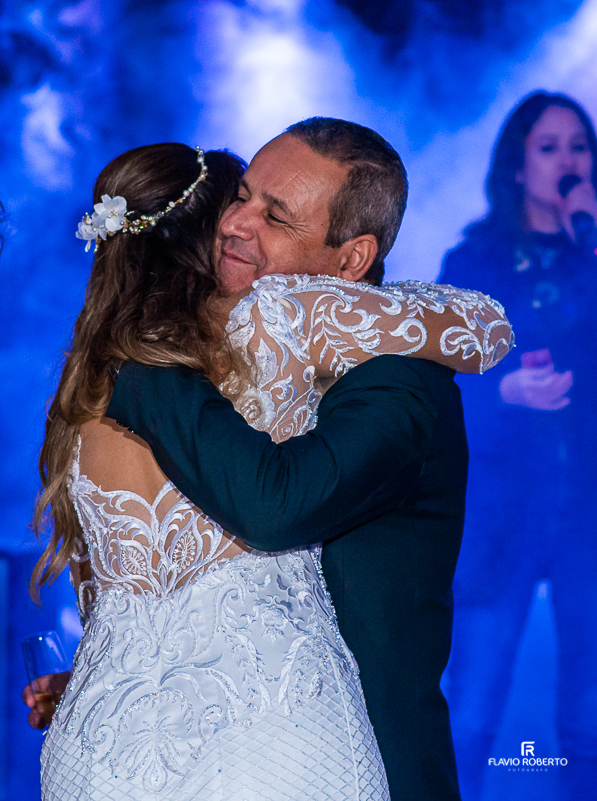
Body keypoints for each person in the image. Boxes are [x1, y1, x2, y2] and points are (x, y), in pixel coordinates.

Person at [31, 134, 511, 800]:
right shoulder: (229, 345)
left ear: (352, 258)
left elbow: (272, 507)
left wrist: (140, 361)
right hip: (177, 730)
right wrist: (120, 674)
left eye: (274, 215)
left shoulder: (391, 380)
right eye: (240, 197)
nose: (236, 223)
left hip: (299, 742)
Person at [439, 91, 597, 797]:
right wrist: (503, 390)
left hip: (587, 514)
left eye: (580, 146)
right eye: (549, 147)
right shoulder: (475, 259)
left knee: (590, 721)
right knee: (470, 709)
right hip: (500, 513)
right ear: (516, 165)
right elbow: (433, 380)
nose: (569, 161)